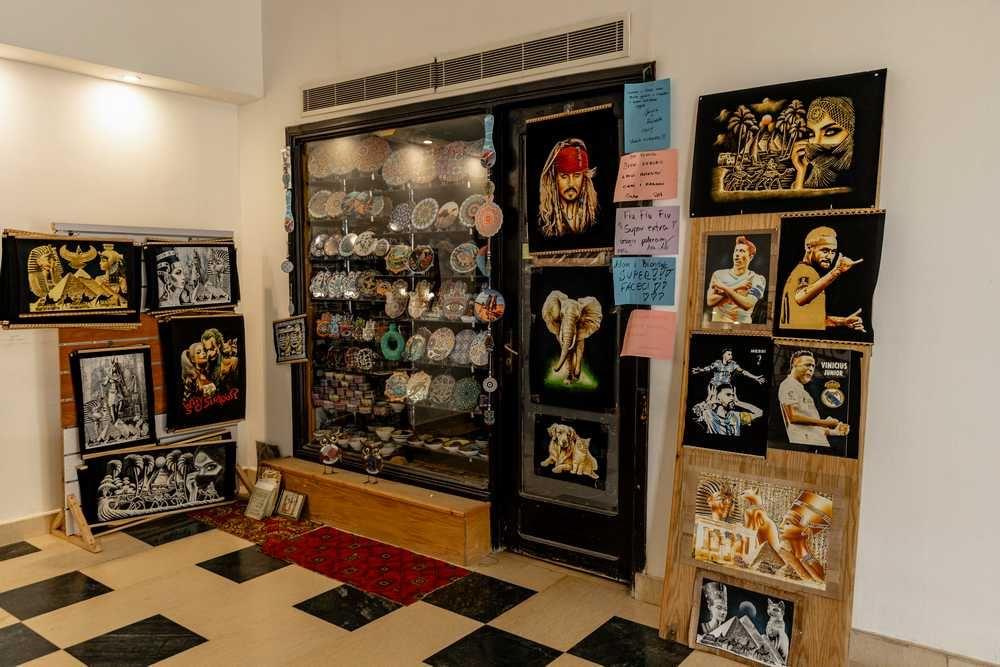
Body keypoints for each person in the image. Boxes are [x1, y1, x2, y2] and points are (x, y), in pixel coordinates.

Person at [779, 226, 864, 331]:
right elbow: (800, 298)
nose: (829, 256)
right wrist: (836, 271)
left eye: (833, 252)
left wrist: (843, 321)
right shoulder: (805, 271)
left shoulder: (805, 272)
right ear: (808, 248)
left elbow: (812, 319)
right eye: (825, 250)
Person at [777, 350, 850, 446]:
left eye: (813, 366)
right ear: (795, 362)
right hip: (804, 445)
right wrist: (825, 422)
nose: (811, 369)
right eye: (807, 365)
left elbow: (812, 428)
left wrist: (835, 431)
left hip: (817, 444)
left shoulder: (804, 392)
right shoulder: (788, 385)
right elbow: (793, 417)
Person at [537, 138, 599, 238]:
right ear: (554, 178)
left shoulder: (594, 217)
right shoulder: (544, 221)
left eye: (577, 175)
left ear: (584, 177)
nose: (571, 183)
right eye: (564, 176)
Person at [791, 96, 855, 190]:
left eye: (830, 132)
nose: (816, 142)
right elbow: (799, 198)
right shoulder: (811, 178)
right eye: (811, 134)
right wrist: (801, 171)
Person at [706, 235, 766, 324]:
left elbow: (747, 304)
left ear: (750, 257)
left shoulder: (757, 278)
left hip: (743, 328)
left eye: (742, 251)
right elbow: (710, 302)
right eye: (736, 251)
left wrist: (723, 287)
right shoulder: (719, 274)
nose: (737, 254)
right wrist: (738, 286)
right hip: (718, 327)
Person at [691, 383, 763, 436]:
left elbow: (759, 413)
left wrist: (738, 402)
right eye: (728, 395)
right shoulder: (708, 414)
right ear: (718, 397)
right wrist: (709, 400)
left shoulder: (736, 416)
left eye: (733, 395)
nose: (732, 398)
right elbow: (693, 413)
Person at [691, 348, 766, 395]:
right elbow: (708, 368)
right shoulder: (717, 363)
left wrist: (755, 377)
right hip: (715, 387)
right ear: (724, 355)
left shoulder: (733, 364)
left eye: (731, 354)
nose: (731, 356)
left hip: (726, 388)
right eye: (729, 354)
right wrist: (700, 370)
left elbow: (743, 372)